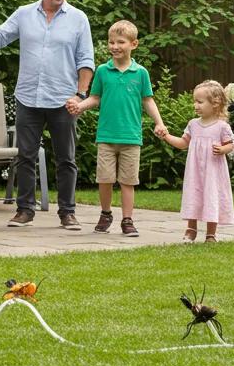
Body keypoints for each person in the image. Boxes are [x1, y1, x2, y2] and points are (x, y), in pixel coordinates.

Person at [0, 0, 94, 230]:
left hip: (63, 100)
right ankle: (25, 210)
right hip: (28, 98)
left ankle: (67, 212)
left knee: (66, 158)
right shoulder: (24, 14)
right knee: (25, 156)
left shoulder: (78, 18)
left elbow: (86, 60)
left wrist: (80, 95)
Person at [69, 20, 168, 237]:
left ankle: (127, 220)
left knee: (127, 181)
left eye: (120, 42)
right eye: (111, 42)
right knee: (104, 179)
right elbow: (95, 98)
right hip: (106, 136)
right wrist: (79, 106)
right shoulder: (103, 71)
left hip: (131, 137)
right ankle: (105, 214)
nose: (114, 46)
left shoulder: (140, 73)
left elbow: (148, 100)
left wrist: (159, 122)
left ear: (134, 44)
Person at [162, 80, 234, 243]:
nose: (196, 105)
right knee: (193, 194)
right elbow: (182, 143)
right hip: (195, 170)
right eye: (194, 101)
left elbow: (231, 144)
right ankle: (191, 229)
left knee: (212, 196)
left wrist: (223, 149)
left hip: (213, 171)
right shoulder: (193, 125)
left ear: (215, 103)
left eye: (200, 102)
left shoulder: (221, 126)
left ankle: (211, 233)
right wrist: (166, 136)